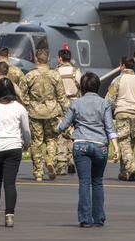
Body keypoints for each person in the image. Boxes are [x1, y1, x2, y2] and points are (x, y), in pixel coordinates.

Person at [55, 72, 119, 228]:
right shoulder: (104, 104)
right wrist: (116, 148)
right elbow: (110, 128)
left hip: (81, 144)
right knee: (97, 182)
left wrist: (59, 123)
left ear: (82, 87)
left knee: (84, 182)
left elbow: (63, 127)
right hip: (100, 145)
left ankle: (85, 219)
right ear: (98, 87)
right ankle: (99, 218)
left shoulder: (76, 104)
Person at [0, 77, 31, 228]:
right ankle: (9, 216)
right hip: (14, 147)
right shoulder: (19, 107)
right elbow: (26, 130)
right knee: (10, 183)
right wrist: (26, 144)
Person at [19, 48, 68, 181]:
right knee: (52, 139)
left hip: (35, 112)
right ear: (47, 60)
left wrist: (28, 106)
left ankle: (38, 173)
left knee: (37, 142)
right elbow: (61, 96)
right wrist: (67, 113)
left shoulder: (29, 75)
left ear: (36, 60)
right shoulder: (55, 75)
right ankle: (50, 159)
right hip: (52, 111)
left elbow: (21, 95)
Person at [54, 48, 82, 176]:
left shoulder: (55, 73)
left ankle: (61, 164)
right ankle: (72, 160)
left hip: (60, 105)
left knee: (60, 133)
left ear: (60, 58)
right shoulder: (76, 72)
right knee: (73, 132)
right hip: (74, 104)